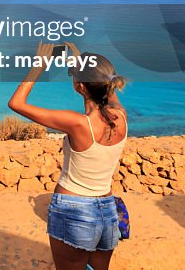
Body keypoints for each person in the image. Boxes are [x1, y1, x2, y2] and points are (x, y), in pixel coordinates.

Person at [7, 41, 128, 270]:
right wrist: (79, 61)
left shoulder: (78, 123)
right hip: (107, 209)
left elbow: (16, 103)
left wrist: (38, 66)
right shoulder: (120, 117)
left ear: (80, 87)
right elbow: (105, 89)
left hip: (74, 209)